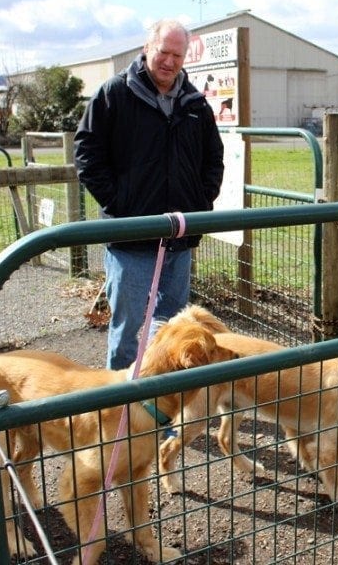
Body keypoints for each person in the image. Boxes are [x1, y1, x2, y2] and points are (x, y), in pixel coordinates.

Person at [74, 19, 225, 370]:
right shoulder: (114, 94)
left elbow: (212, 158)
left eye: (178, 54)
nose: (169, 62)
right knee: (127, 329)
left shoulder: (194, 104)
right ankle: (119, 411)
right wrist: (120, 205)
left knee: (173, 328)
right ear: (147, 49)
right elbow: (87, 154)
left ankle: (160, 407)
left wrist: (200, 204)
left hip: (179, 236)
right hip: (131, 237)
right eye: (163, 52)